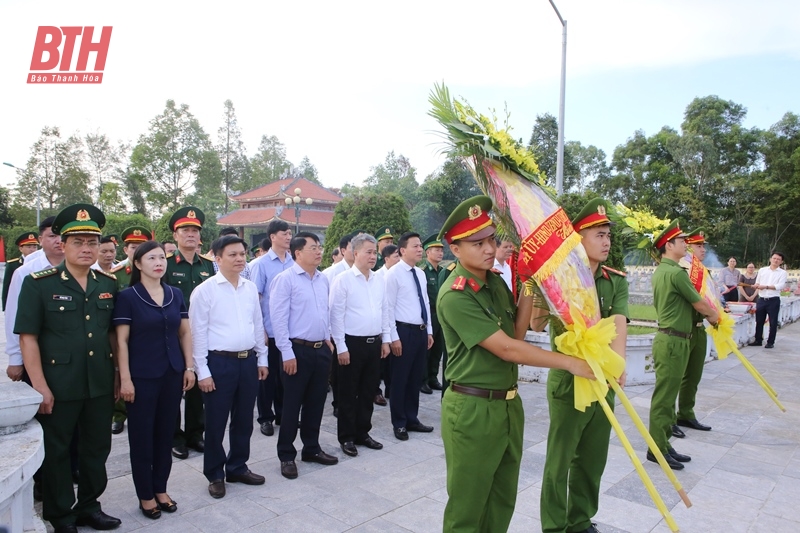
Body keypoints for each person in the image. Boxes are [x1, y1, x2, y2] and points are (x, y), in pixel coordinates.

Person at [436, 196, 595, 533]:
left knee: (501, 500)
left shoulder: (493, 282)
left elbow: (518, 332)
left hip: (507, 405)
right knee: (467, 507)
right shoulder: (456, 294)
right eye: (477, 243)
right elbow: (508, 349)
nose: (489, 249)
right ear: (455, 249)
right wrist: (569, 363)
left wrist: (528, 282)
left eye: (491, 239)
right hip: (472, 409)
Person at [15, 203, 121, 533]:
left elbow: (111, 335)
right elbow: (28, 338)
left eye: (92, 242)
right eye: (78, 242)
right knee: (57, 452)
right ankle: (60, 514)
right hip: (59, 383)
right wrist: (40, 386)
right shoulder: (38, 283)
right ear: (63, 244)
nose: (87, 248)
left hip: (99, 383)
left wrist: (117, 375)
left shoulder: (107, 283)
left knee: (96, 447)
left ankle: (90, 506)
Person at [536, 198, 629, 533]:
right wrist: (534, 287)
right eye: (598, 235)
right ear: (578, 237)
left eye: (608, 235)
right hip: (569, 380)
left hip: (603, 379)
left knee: (592, 459)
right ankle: (554, 525)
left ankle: (579, 520)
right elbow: (533, 325)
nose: (606, 241)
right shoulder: (557, 279)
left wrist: (616, 367)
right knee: (560, 460)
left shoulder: (614, 280)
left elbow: (618, 323)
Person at [113, 240, 195, 519]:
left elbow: (184, 332)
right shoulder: (128, 296)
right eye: (151, 258)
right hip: (142, 376)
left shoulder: (175, 294)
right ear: (137, 264)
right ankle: (145, 495)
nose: (159, 262)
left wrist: (189, 367)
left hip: (172, 374)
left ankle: (161, 488)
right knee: (141, 437)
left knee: (164, 435)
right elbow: (121, 342)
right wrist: (125, 379)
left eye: (162, 257)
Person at [189, 235, 269, 498]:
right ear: (217, 258)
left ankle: (237, 465)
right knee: (215, 421)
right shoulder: (205, 290)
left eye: (242, 254)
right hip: (218, 363)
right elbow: (197, 333)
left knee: (244, 420)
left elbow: (257, 325)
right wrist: (203, 371)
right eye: (232, 254)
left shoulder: (248, 288)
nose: (239, 259)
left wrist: (262, 358)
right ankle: (214, 473)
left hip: (247, 362)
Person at [648, 220, 719, 470]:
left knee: (667, 397)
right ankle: (656, 448)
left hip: (674, 339)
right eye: (681, 241)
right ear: (669, 245)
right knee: (664, 399)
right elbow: (699, 303)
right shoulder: (676, 273)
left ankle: (664, 444)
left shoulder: (663, 270)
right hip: (673, 340)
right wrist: (715, 315)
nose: (685, 245)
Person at [270, 232, 339, 479]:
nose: (319, 251)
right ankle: (286, 455)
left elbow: (324, 313)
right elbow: (278, 320)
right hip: (296, 350)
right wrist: (286, 353)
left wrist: (329, 339)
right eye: (313, 248)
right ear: (297, 253)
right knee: (292, 404)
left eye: (320, 247)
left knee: (315, 402)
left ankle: (312, 448)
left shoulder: (323, 279)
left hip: (320, 349)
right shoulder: (285, 279)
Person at [329, 233, 390, 457]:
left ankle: (363, 432)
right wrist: (341, 347)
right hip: (351, 344)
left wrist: (385, 339)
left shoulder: (378, 280)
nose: (373, 256)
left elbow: (384, 311)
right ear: (355, 253)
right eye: (368, 252)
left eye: (375, 252)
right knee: (347, 393)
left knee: (367, 391)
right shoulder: (343, 280)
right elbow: (336, 315)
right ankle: (346, 437)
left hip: (374, 344)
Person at [165, 206, 215, 460]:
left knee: (199, 387)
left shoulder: (209, 265)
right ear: (175, 235)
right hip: (174, 335)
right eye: (185, 230)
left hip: (201, 335)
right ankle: (175, 436)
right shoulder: (165, 265)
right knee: (175, 387)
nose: (191, 235)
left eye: (195, 230)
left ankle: (196, 432)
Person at [384, 232, 434, 441]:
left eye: (421, 246)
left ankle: (412, 418)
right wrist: (393, 337)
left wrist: (429, 330)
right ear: (402, 250)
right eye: (416, 246)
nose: (420, 249)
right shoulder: (392, 274)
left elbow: (426, 303)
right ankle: (399, 422)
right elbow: (388, 307)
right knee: (400, 379)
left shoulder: (420, 274)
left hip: (420, 332)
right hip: (402, 332)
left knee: (415, 378)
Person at [5, 218, 64, 382]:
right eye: (52, 236)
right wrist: (15, 358)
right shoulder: (25, 273)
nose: (59, 241)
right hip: (38, 355)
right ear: (40, 240)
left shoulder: (89, 269)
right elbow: (13, 316)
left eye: (62, 236)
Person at [251, 220, 294, 437]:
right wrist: (262, 330)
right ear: (272, 237)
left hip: (289, 330)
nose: (288, 237)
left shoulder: (294, 262)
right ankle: (265, 417)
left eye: (289, 233)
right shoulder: (261, 264)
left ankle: (283, 413)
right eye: (284, 233)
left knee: (285, 377)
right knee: (267, 376)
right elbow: (256, 299)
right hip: (269, 330)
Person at [109, 226, 153, 435]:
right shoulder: (115, 276)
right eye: (133, 247)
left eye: (141, 246)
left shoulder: (155, 271)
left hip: (147, 337)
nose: (137, 250)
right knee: (122, 376)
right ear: (125, 250)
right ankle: (118, 415)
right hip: (122, 335)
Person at [674, 228, 713, 436]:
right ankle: (669, 418)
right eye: (699, 246)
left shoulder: (702, 271)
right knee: (675, 377)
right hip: (684, 328)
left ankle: (686, 413)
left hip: (699, 329)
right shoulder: (683, 270)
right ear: (688, 248)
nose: (703, 249)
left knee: (693, 376)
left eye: (703, 246)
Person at [372, 243, 399, 407]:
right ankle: (376, 392)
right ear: (387, 258)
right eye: (396, 256)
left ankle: (390, 388)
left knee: (391, 362)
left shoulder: (401, 274)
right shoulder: (378, 276)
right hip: (380, 327)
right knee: (379, 363)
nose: (399, 259)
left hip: (394, 325)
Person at [748, 252, 788, 349]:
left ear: (781, 262)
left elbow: (780, 286)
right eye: (774, 258)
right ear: (770, 259)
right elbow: (758, 282)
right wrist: (756, 286)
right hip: (762, 299)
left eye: (778, 259)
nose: (775, 260)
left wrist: (765, 286)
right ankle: (758, 340)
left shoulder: (782, 273)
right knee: (759, 321)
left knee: (773, 322)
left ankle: (770, 342)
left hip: (773, 300)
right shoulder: (762, 270)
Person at [421, 234, 444, 394]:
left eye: (441, 250)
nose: (440, 253)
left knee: (438, 349)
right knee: (426, 350)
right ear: (428, 252)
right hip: (429, 315)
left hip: (442, 315)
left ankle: (433, 377)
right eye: (436, 250)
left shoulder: (443, 272)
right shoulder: (423, 272)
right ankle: (423, 380)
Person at [2, 231, 39, 311]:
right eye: (29, 247)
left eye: (35, 247)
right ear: (21, 248)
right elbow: (7, 287)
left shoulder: (41, 264)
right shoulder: (13, 264)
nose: (32, 250)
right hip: (19, 302)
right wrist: (6, 308)